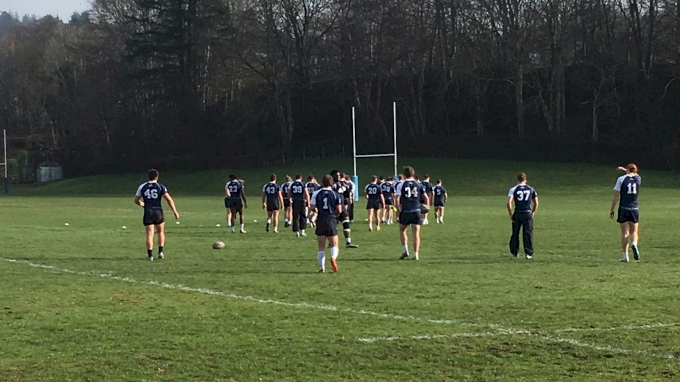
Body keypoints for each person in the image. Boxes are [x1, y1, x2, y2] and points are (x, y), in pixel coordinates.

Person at [134, 169, 180, 261]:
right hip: (158, 211)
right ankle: (160, 252)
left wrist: (143, 204)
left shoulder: (142, 186)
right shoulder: (160, 187)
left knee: (149, 234)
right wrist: (175, 211)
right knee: (160, 232)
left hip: (148, 211)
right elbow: (169, 199)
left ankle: (150, 255)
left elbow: (136, 200)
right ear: (157, 177)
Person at [309, 175, 343, 272]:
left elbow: (311, 207)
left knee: (321, 246)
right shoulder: (335, 194)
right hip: (331, 219)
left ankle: (321, 267)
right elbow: (339, 210)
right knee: (334, 244)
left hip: (320, 219)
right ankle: (333, 258)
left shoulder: (316, 193)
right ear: (331, 183)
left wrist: (315, 211)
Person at [611, 164, 642, 262]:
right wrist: (625, 170)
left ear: (628, 169)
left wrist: (612, 209)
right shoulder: (638, 179)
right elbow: (633, 174)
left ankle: (625, 256)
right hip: (634, 209)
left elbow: (616, 196)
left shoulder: (621, 179)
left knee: (625, 233)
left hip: (623, 208)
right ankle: (634, 244)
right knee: (634, 231)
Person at [396, 166, 427, 260]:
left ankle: (405, 250)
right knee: (416, 233)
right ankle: (416, 254)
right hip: (416, 210)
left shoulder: (401, 184)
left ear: (404, 174)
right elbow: (426, 197)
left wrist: (398, 209)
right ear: (413, 173)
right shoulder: (418, 184)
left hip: (405, 210)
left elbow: (397, 199)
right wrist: (427, 207)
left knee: (402, 230)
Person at [507, 172, 539, 259]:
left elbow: (509, 202)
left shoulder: (513, 189)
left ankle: (515, 252)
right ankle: (528, 253)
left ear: (517, 180)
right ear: (526, 180)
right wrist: (533, 212)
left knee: (515, 233)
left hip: (517, 213)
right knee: (528, 233)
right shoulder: (531, 189)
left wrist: (510, 213)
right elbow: (536, 202)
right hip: (527, 212)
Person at [331, 170, 358, 248]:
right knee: (333, 225)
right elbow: (332, 194)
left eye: (339, 175)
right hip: (334, 208)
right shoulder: (331, 185)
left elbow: (345, 194)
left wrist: (346, 188)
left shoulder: (343, 183)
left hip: (342, 206)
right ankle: (331, 242)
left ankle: (348, 242)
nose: (339, 177)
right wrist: (338, 187)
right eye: (337, 175)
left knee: (346, 222)